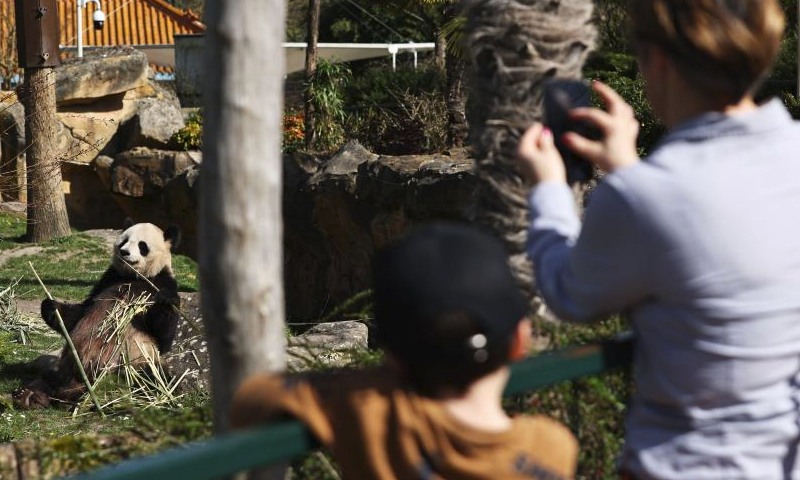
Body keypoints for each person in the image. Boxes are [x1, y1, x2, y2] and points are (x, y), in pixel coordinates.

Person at [516, 0, 800, 479]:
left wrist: (548, 187)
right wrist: (630, 171)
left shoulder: (645, 195)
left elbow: (569, 291)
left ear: (660, 61)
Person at [230, 223, 578, 480]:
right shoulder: (552, 447)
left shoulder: (370, 412)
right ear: (521, 339)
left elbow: (251, 398)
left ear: (391, 354)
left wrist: (372, 379)